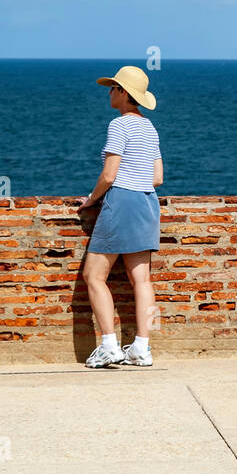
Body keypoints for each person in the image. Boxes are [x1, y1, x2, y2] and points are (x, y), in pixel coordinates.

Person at [79, 65, 163, 369]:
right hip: (147, 203)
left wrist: (90, 200)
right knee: (141, 279)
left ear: (123, 93)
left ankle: (109, 345)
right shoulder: (149, 127)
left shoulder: (119, 125)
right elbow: (157, 177)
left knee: (94, 275)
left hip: (123, 202)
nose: (109, 92)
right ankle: (141, 347)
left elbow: (110, 174)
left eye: (113, 88)